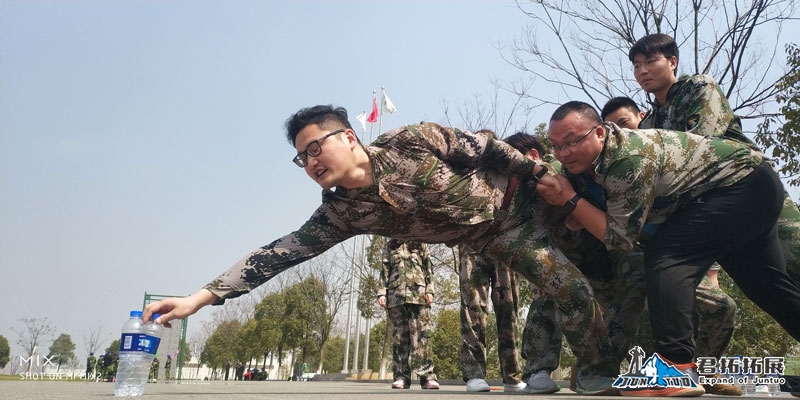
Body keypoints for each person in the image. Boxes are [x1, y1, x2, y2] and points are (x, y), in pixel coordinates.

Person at [143, 104, 621, 395]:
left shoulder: (412, 141)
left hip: (526, 194)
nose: (310, 163)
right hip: (499, 236)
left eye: (315, 148)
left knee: (613, 240)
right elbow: (277, 253)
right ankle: (599, 372)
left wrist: (538, 173)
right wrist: (199, 299)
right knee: (570, 288)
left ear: (348, 138)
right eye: (300, 157)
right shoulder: (342, 213)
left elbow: (485, 147)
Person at [538, 100, 800, 397]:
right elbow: (557, 182)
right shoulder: (586, 164)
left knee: (667, 258)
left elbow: (620, 239)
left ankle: (675, 368)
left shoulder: (629, 157)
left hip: (742, 187)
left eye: (572, 141)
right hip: (754, 184)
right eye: (556, 145)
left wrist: (570, 199)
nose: (564, 152)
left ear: (599, 132)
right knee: (768, 287)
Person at [629, 33, 800, 287]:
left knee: (795, 257)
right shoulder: (649, 124)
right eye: (636, 65)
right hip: (718, 210)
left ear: (672, 62)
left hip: (748, 188)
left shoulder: (699, 88)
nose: (642, 71)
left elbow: (702, 143)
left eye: (650, 62)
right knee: (770, 287)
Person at [601, 96, 740, 396]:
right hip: (633, 251)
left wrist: (710, 268)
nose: (620, 132)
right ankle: (608, 370)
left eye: (624, 124)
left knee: (722, 305)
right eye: (611, 128)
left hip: (677, 252)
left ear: (642, 118)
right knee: (646, 293)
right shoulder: (610, 168)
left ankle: (700, 369)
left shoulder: (668, 151)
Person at [505, 132, 647, 394]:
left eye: (514, 162)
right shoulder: (521, 190)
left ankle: (603, 368)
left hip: (603, 257)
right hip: (564, 258)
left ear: (534, 157)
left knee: (636, 291)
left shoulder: (560, 172)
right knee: (550, 284)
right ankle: (539, 369)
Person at [377, 239, 438, 390]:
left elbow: (428, 267)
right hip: (396, 296)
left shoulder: (420, 242)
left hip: (418, 295)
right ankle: (401, 376)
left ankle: (427, 377)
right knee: (399, 339)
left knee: (423, 337)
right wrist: (381, 293)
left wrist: (430, 290)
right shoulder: (391, 245)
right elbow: (385, 269)